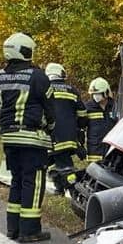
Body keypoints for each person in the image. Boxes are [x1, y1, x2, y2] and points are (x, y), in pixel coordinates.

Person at [0, 32, 54, 243]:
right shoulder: (37, 76)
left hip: (9, 137)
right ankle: (30, 229)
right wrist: (52, 127)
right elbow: (50, 107)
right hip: (31, 138)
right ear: (26, 51)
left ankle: (13, 227)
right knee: (33, 182)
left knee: (17, 180)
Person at [44, 63, 88, 194]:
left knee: (61, 164)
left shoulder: (44, 89)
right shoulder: (71, 90)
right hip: (69, 136)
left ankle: (73, 190)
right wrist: (80, 129)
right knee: (58, 162)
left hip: (50, 135)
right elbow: (82, 113)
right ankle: (60, 188)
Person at [83, 77, 118, 165]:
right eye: (93, 94)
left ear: (106, 92)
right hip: (95, 151)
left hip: (113, 151)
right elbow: (80, 126)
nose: (95, 96)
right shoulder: (87, 107)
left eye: (98, 93)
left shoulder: (116, 107)